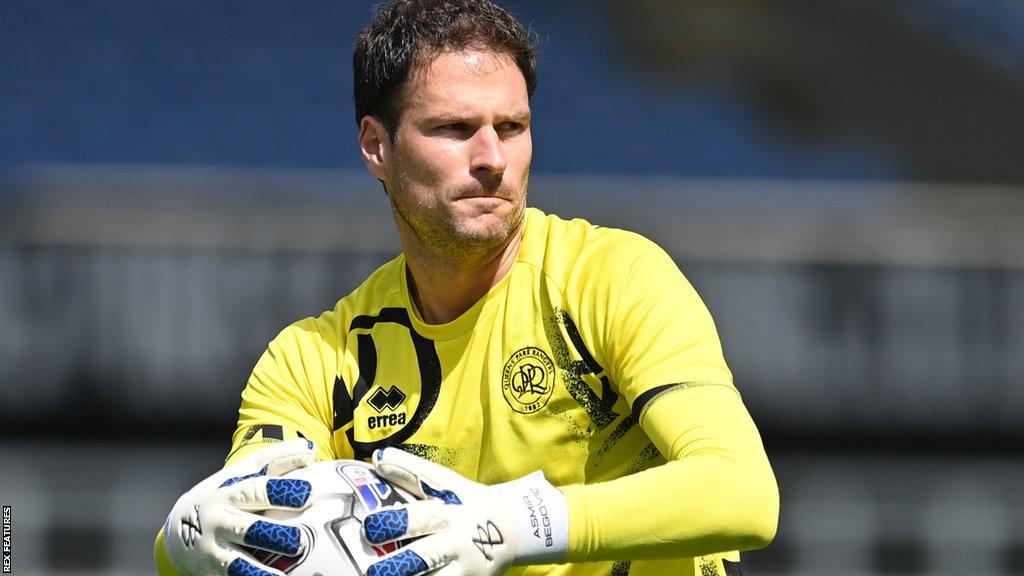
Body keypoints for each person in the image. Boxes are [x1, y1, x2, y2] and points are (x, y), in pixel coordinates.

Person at [155, 1, 779, 575]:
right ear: (377, 145)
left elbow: (743, 493)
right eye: (454, 128)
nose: (492, 158)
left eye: (511, 127)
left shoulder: (613, 279)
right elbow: (244, 515)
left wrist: (511, 525)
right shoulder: (312, 361)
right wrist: (179, 540)